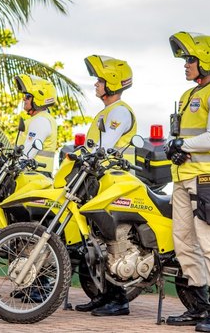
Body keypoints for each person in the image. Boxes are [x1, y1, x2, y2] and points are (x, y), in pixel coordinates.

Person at [75, 55, 137, 316]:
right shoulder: (106, 111)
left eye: (100, 80)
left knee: (113, 239)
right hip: (101, 181)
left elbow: (106, 147)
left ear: (112, 82)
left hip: (117, 182)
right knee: (97, 241)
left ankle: (119, 299)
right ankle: (104, 295)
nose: (96, 85)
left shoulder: (119, 111)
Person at [164, 31, 210, 332]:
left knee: (208, 243)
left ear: (206, 60)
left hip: (205, 179)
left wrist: (182, 146)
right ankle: (199, 306)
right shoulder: (187, 96)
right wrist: (175, 147)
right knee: (183, 242)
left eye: (190, 59)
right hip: (182, 178)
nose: (186, 64)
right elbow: (182, 136)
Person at [15, 74, 57, 178]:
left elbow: (29, 152)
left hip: (35, 175)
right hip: (34, 173)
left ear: (38, 99)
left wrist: (15, 167)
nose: (24, 99)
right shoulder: (39, 119)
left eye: (28, 97)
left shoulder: (41, 121)